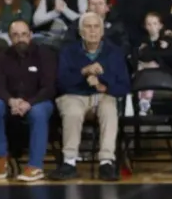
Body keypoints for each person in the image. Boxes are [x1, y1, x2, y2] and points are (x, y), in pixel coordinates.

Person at [53, 12, 130, 181]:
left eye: (96, 27)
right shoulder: (68, 52)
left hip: (103, 96)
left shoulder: (114, 53)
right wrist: (83, 72)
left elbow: (124, 85)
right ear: (81, 32)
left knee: (109, 109)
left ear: (102, 31)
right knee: (73, 111)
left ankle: (106, 162)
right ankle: (69, 162)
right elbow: (61, 83)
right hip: (74, 96)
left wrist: (104, 85)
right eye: (88, 27)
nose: (93, 31)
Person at [0, 20, 56, 182]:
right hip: (11, 102)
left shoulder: (44, 55)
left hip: (38, 101)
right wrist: (10, 101)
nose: (20, 38)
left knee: (38, 113)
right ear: (10, 38)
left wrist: (29, 103)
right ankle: (2, 157)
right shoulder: (2, 58)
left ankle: (35, 166)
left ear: (30, 35)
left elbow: (49, 87)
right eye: (15, 35)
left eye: (24, 34)